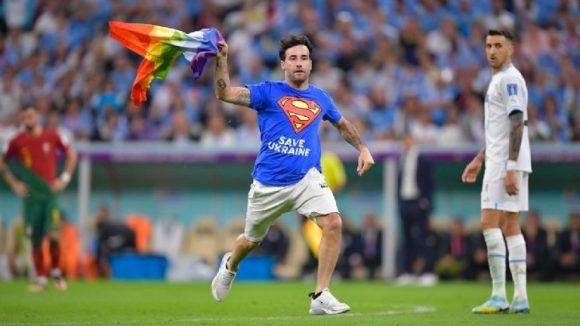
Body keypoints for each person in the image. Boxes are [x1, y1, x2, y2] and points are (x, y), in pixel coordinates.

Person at [210, 34, 375, 315]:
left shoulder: (321, 98)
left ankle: (321, 294)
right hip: (268, 184)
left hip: (307, 178)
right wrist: (222, 60)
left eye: (304, 58)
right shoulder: (267, 92)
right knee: (251, 241)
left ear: (311, 64)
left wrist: (362, 148)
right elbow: (224, 94)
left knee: (334, 223)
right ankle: (230, 265)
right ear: (283, 65)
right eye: (293, 58)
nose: (299, 63)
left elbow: (343, 125)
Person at [461, 30, 532, 314]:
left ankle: (500, 294)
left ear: (511, 48)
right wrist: (479, 158)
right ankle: (520, 298)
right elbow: (500, 131)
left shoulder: (510, 79)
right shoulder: (499, 80)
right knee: (509, 224)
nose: (492, 50)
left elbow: (517, 123)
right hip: (500, 160)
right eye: (489, 45)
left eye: (499, 45)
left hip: (505, 164)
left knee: (489, 222)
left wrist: (511, 166)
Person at [0, 104, 77, 291]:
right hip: (31, 198)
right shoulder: (17, 141)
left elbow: (71, 156)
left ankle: (57, 274)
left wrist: (64, 179)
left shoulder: (52, 136)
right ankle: (41, 280)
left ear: (38, 116)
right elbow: (2, 162)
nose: (28, 119)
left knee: (53, 235)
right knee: (34, 238)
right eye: (25, 116)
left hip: (50, 195)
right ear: (21, 118)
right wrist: (15, 184)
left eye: (31, 115)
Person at [396, 133, 437, 286]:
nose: (405, 142)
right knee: (407, 240)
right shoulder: (401, 159)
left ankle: (428, 272)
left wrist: (426, 203)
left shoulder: (422, 160)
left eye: (407, 139)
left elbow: (430, 183)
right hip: (405, 203)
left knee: (423, 239)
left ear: (413, 140)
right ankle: (407, 272)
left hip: (418, 203)